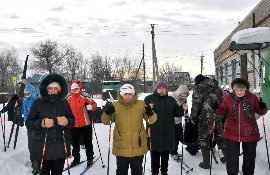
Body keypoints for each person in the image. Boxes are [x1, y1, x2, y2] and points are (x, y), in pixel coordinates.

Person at [213, 78, 268, 175]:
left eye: (241, 90)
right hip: (231, 132)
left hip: (249, 131)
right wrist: (216, 108)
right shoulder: (228, 98)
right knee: (232, 159)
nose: (239, 92)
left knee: (249, 159)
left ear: (245, 89)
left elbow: (261, 112)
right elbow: (222, 111)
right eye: (236, 90)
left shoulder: (253, 98)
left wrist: (262, 107)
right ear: (233, 89)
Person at [101, 84, 157, 175]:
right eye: (125, 94)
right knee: (121, 171)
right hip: (121, 146)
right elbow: (106, 121)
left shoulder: (141, 104)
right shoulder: (115, 105)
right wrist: (107, 113)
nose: (127, 96)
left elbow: (152, 120)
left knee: (137, 171)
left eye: (130, 94)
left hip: (138, 146)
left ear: (133, 94)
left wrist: (150, 113)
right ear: (121, 94)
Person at [25, 74, 75, 175]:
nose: (53, 91)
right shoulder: (37, 103)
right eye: (50, 88)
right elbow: (29, 123)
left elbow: (72, 120)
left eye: (56, 88)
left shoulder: (64, 103)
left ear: (60, 89)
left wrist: (66, 121)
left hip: (60, 148)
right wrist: (42, 123)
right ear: (45, 89)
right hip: (41, 149)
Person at [144, 81, 187, 175]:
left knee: (165, 152)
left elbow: (177, 113)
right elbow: (144, 113)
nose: (161, 90)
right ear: (156, 89)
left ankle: (164, 171)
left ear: (166, 89)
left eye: (163, 88)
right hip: (154, 130)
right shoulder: (149, 98)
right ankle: (154, 171)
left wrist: (183, 108)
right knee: (154, 152)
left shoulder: (171, 100)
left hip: (168, 130)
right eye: (159, 88)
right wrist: (148, 109)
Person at [190, 74, 227, 169]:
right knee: (220, 137)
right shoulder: (216, 87)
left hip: (205, 117)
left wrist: (193, 117)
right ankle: (227, 158)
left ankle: (206, 163)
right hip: (218, 115)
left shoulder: (199, 87)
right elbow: (222, 101)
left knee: (203, 139)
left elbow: (196, 104)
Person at [66, 80, 97, 167]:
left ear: (80, 88)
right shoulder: (68, 98)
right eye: (73, 89)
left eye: (76, 88)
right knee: (74, 143)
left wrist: (91, 107)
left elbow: (94, 104)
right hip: (73, 124)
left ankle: (90, 158)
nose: (75, 90)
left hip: (85, 123)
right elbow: (64, 108)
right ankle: (76, 159)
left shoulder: (85, 96)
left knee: (87, 142)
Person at [168, 85, 189, 160]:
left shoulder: (184, 99)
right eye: (182, 95)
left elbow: (185, 108)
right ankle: (172, 152)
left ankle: (175, 151)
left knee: (178, 137)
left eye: (185, 95)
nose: (183, 97)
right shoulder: (171, 97)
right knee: (174, 137)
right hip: (171, 122)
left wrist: (186, 116)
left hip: (179, 121)